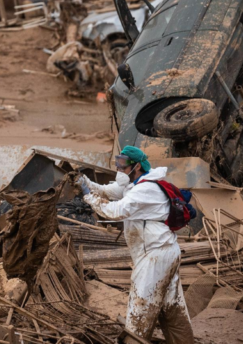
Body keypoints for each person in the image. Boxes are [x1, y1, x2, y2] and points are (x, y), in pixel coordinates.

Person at [76, 146, 194, 344]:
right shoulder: (134, 184)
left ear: (137, 166)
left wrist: (88, 195)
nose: (119, 169)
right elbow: (107, 191)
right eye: (118, 163)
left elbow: (115, 211)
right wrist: (85, 182)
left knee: (140, 308)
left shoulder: (146, 188)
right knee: (171, 308)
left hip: (156, 256)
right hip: (163, 253)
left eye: (123, 165)